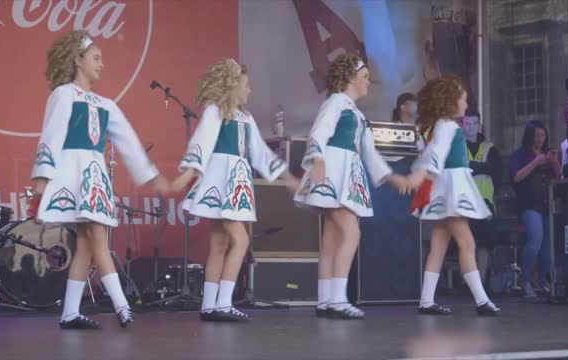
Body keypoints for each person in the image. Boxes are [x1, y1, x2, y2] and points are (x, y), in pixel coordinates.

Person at [30, 30, 173, 330]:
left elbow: (128, 142)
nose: (102, 64)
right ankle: (123, 307)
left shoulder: (106, 104)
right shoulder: (64, 94)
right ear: (78, 60)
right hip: (73, 171)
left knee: (86, 243)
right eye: (96, 58)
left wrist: (150, 176)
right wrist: (42, 178)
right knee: (97, 239)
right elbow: (52, 135)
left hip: (94, 177)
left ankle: (70, 312)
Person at [170, 59, 300, 322]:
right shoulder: (215, 111)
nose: (249, 91)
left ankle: (209, 305)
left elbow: (260, 153)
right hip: (222, 181)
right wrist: (187, 174)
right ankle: (223, 304)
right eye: (246, 85)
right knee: (241, 241)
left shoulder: (245, 117)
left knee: (220, 244)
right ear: (232, 84)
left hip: (236, 182)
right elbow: (202, 144)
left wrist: (286, 176)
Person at [294, 53, 407, 319]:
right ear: (350, 78)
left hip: (346, 173)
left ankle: (326, 300)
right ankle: (337, 299)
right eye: (365, 76)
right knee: (351, 232)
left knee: (332, 237)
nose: (369, 82)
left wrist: (392, 177)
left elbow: (370, 154)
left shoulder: (356, 113)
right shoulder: (336, 102)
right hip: (334, 171)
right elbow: (319, 131)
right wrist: (318, 158)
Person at [407, 75, 500, 316]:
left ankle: (426, 301)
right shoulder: (447, 125)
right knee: (467, 243)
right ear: (450, 100)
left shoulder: (442, 124)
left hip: (446, 189)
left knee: (438, 245)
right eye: (463, 99)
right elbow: (436, 154)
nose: (466, 105)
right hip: (450, 191)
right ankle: (482, 301)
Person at [509, 120, 561, 298]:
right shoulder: (521, 154)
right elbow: (516, 177)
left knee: (547, 245)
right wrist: (535, 163)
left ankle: (543, 281)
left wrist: (553, 162)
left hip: (548, 204)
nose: (539, 139)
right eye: (536, 135)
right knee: (535, 240)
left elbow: (559, 177)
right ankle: (525, 281)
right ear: (530, 136)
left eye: (542, 135)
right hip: (529, 203)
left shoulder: (547, 154)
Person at [461, 110, 502, 284]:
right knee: (466, 243)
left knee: (484, 243)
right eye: (467, 124)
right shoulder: (457, 146)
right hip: (462, 202)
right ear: (462, 125)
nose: (470, 127)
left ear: (479, 125)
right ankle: (468, 281)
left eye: (474, 124)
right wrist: (481, 167)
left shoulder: (489, 148)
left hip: (485, 201)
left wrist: (472, 166)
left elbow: (496, 170)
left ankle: (482, 280)